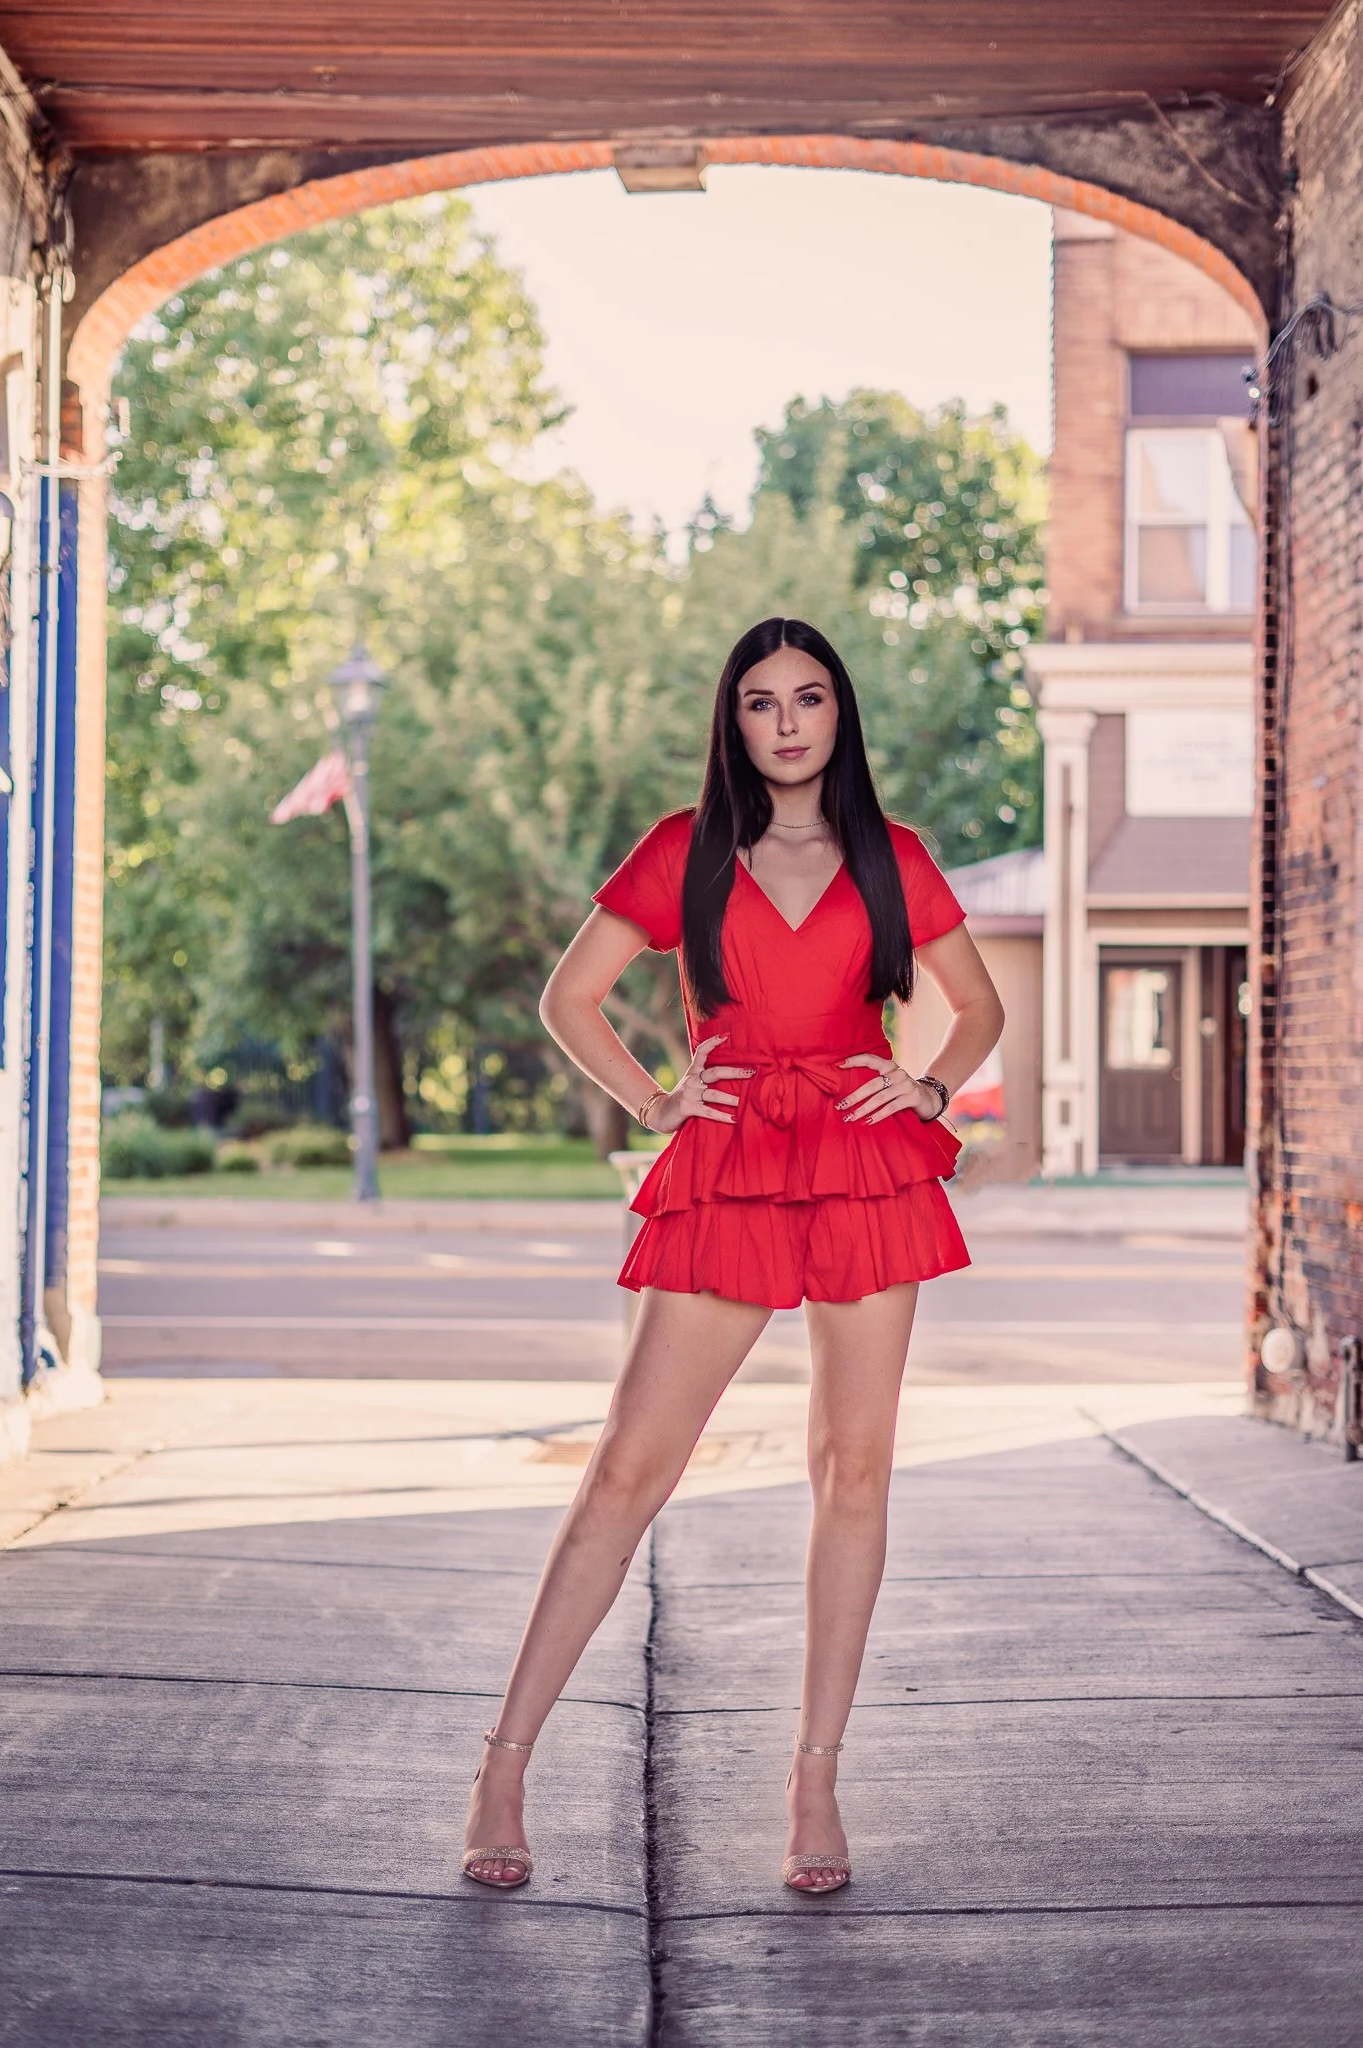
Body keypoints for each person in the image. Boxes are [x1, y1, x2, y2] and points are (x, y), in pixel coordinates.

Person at [463, 615, 1004, 1895]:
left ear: (838, 713)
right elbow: (567, 995)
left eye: (808, 697)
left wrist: (925, 1090)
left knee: (854, 1469)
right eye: (761, 701)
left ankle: (813, 1778)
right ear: (736, 719)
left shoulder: (894, 858)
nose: (787, 721)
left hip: (863, 1164)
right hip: (730, 1162)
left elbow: (978, 1005)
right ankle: (502, 1762)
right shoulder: (681, 850)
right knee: (624, 1472)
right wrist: (655, 1100)